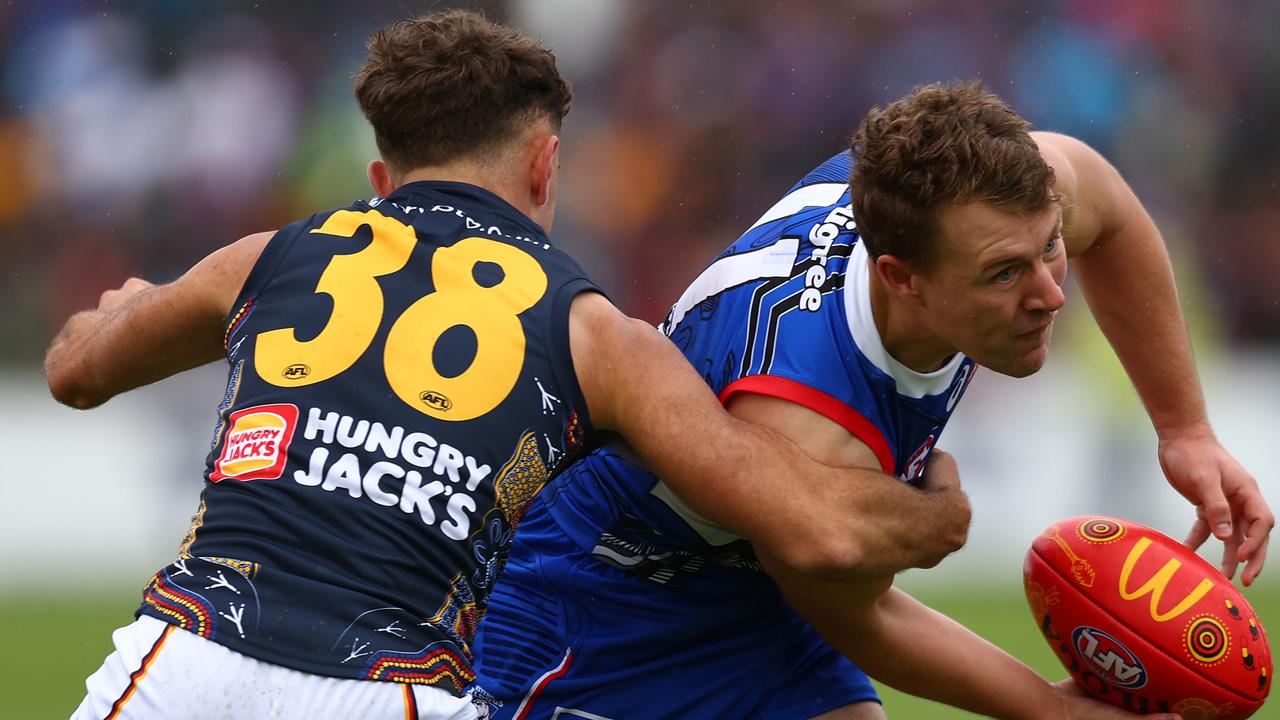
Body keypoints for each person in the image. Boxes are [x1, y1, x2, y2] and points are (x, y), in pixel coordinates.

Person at [44, 13, 975, 720]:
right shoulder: (599, 339)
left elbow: (77, 372)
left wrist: (117, 310)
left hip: (185, 660)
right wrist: (935, 514)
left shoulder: (269, 257)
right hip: (391, 689)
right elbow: (815, 530)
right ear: (546, 166)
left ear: (381, 181)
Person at [470, 82, 1274, 719]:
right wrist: (1050, 710)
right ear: (901, 279)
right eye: (1004, 275)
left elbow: (1114, 210)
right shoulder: (810, 422)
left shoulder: (974, 209)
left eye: (1049, 249)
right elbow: (865, 614)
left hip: (758, 585)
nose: (1049, 295)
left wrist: (1186, 432)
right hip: (597, 609)